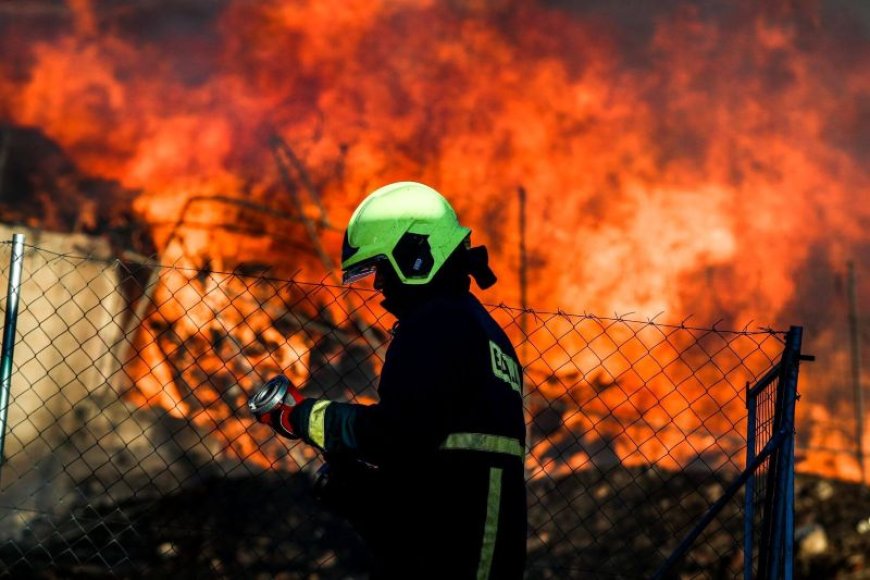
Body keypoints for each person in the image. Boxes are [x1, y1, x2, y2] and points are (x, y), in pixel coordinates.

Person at [249, 181, 527, 579]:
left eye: (381, 267)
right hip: (470, 537)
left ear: (417, 255)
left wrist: (303, 416)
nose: (379, 284)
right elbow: (432, 448)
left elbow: (395, 436)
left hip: (457, 549)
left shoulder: (435, 326)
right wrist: (359, 489)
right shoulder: (479, 327)